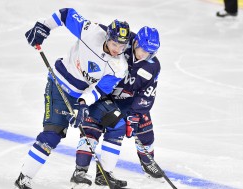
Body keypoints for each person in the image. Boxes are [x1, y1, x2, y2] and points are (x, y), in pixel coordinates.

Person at [14, 8, 131, 189]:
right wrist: (44, 26)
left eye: (122, 47)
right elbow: (66, 14)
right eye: (115, 44)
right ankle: (24, 177)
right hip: (59, 86)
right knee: (52, 135)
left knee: (116, 122)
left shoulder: (119, 66)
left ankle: (105, 175)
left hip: (84, 95)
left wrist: (83, 103)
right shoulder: (91, 32)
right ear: (108, 37)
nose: (118, 50)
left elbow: (99, 90)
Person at [70, 26, 162, 188]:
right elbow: (101, 32)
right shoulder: (121, 44)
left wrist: (135, 115)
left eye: (149, 52)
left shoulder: (152, 66)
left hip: (128, 101)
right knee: (92, 127)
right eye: (142, 49)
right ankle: (81, 169)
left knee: (144, 125)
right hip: (102, 96)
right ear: (136, 42)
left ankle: (148, 162)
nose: (143, 54)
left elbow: (146, 94)